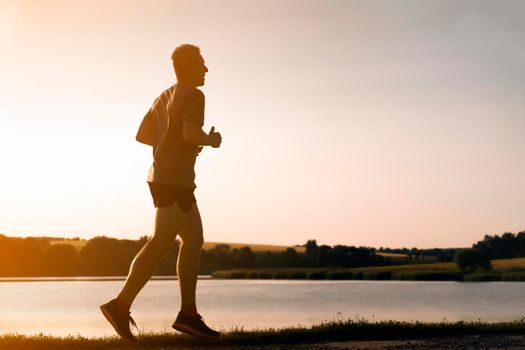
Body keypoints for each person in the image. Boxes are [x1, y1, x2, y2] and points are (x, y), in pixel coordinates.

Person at [100, 44, 222, 342]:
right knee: (160, 243)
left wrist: (170, 143)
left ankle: (188, 316)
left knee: (193, 239)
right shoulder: (194, 95)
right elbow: (191, 134)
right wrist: (211, 139)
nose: (205, 69)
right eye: (201, 64)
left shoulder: (163, 97)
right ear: (188, 66)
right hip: (172, 180)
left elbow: (142, 135)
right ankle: (119, 305)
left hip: (168, 177)